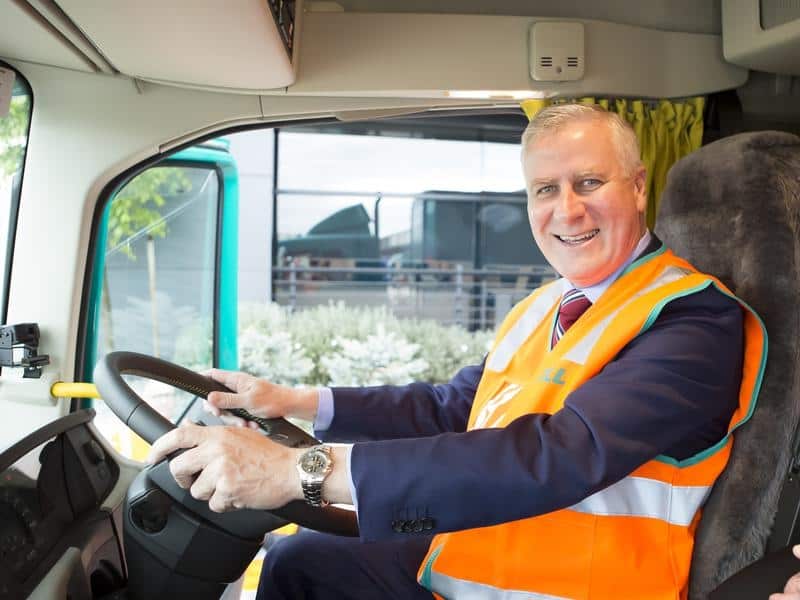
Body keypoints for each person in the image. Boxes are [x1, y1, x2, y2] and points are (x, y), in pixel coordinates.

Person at [148, 104, 767, 599]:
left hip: (574, 586)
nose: (567, 209)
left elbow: (558, 456)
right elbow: (455, 406)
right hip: (485, 555)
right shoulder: (545, 306)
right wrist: (295, 401)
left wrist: (297, 472)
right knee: (299, 560)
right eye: (545, 189)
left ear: (637, 188)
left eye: (589, 182)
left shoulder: (692, 320)